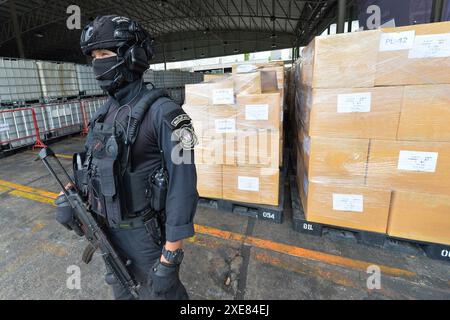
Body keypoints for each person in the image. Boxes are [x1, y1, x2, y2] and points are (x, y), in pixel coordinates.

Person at [54, 15, 199, 300]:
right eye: (93, 56)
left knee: (161, 295)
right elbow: (89, 164)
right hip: (107, 232)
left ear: (132, 56)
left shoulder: (165, 113)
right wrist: (68, 195)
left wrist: (170, 257)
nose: (97, 63)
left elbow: (183, 187)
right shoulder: (103, 113)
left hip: (144, 238)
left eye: (105, 54)